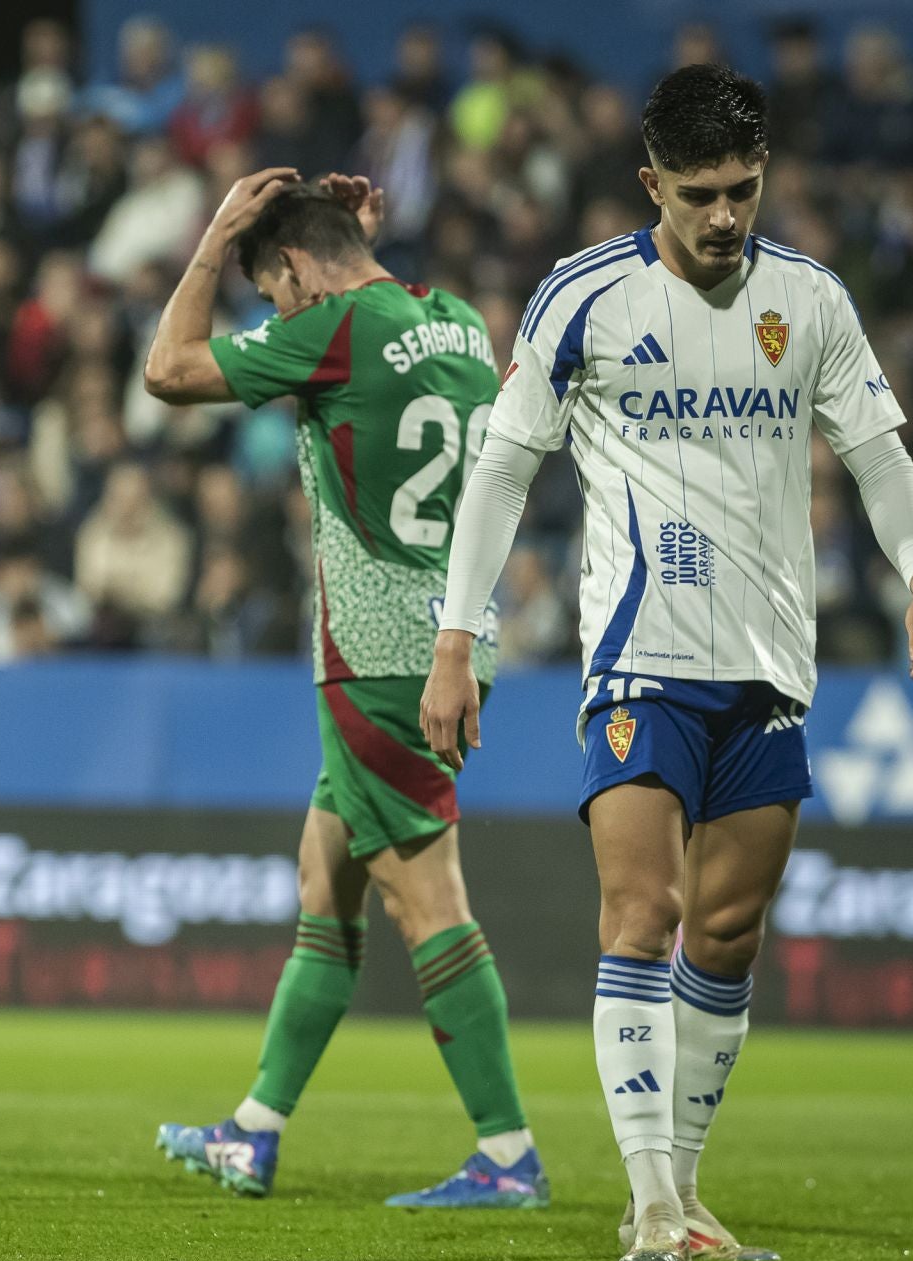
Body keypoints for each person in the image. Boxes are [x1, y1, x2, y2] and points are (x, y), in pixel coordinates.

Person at [420, 64, 913, 1261]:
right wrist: (460, 637)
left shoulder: (810, 299)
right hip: (638, 660)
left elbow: (875, 452)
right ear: (651, 181)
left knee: (725, 935)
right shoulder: (583, 296)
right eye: (702, 192)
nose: (725, 216)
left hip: (768, 665)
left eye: (745, 190)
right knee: (643, 910)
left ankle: (687, 1189)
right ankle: (651, 1200)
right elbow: (502, 471)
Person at [141, 171, 546, 1208]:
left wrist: (214, 235)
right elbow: (375, 306)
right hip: (456, 636)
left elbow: (168, 370)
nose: (275, 316)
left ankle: (506, 1153)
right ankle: (254, 1130)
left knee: (428, 901)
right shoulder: (453, 317)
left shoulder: (329, 330)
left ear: (294, 269)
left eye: (272, 292)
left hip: (376, 659)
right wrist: (337, 247)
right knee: (326, 875)